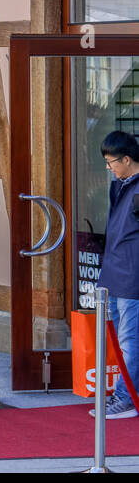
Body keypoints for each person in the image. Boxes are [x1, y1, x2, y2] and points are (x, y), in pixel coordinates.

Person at [94, 131, 139, 419]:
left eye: (111, 162)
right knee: (123, 340)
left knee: (129, 340)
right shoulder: (120, 185)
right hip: (114, 273)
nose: (108, 167)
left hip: (132, 277)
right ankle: (124, 393)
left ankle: (126, 398)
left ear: (126, 159)